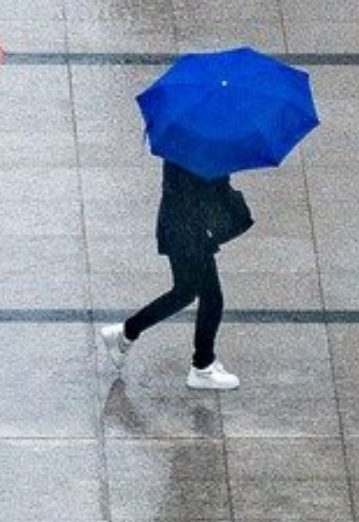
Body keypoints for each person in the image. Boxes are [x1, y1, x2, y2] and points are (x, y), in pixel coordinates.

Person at [100, 159, 251, 391]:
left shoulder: (184, 144)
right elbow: (212, 189)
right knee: (209, 298)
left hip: (181, 226)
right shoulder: (202, 150)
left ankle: (127, 332)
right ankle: (202, 367)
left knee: (186, 292)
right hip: (188, 232)